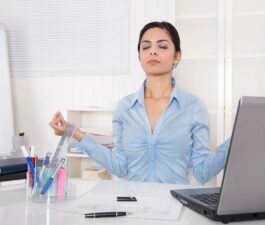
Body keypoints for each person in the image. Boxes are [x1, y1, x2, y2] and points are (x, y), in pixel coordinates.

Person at [49, 21, 230, 184]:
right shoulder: (125, 107)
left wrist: (238, 140)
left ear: (176, 56)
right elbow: (119, 166)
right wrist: (74, 133)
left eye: (162, 46)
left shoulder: (194, 107)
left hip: (176, 207)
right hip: (134, 208)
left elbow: (203, 171)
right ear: (139, 57)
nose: (153, 51)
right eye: (146, 47)